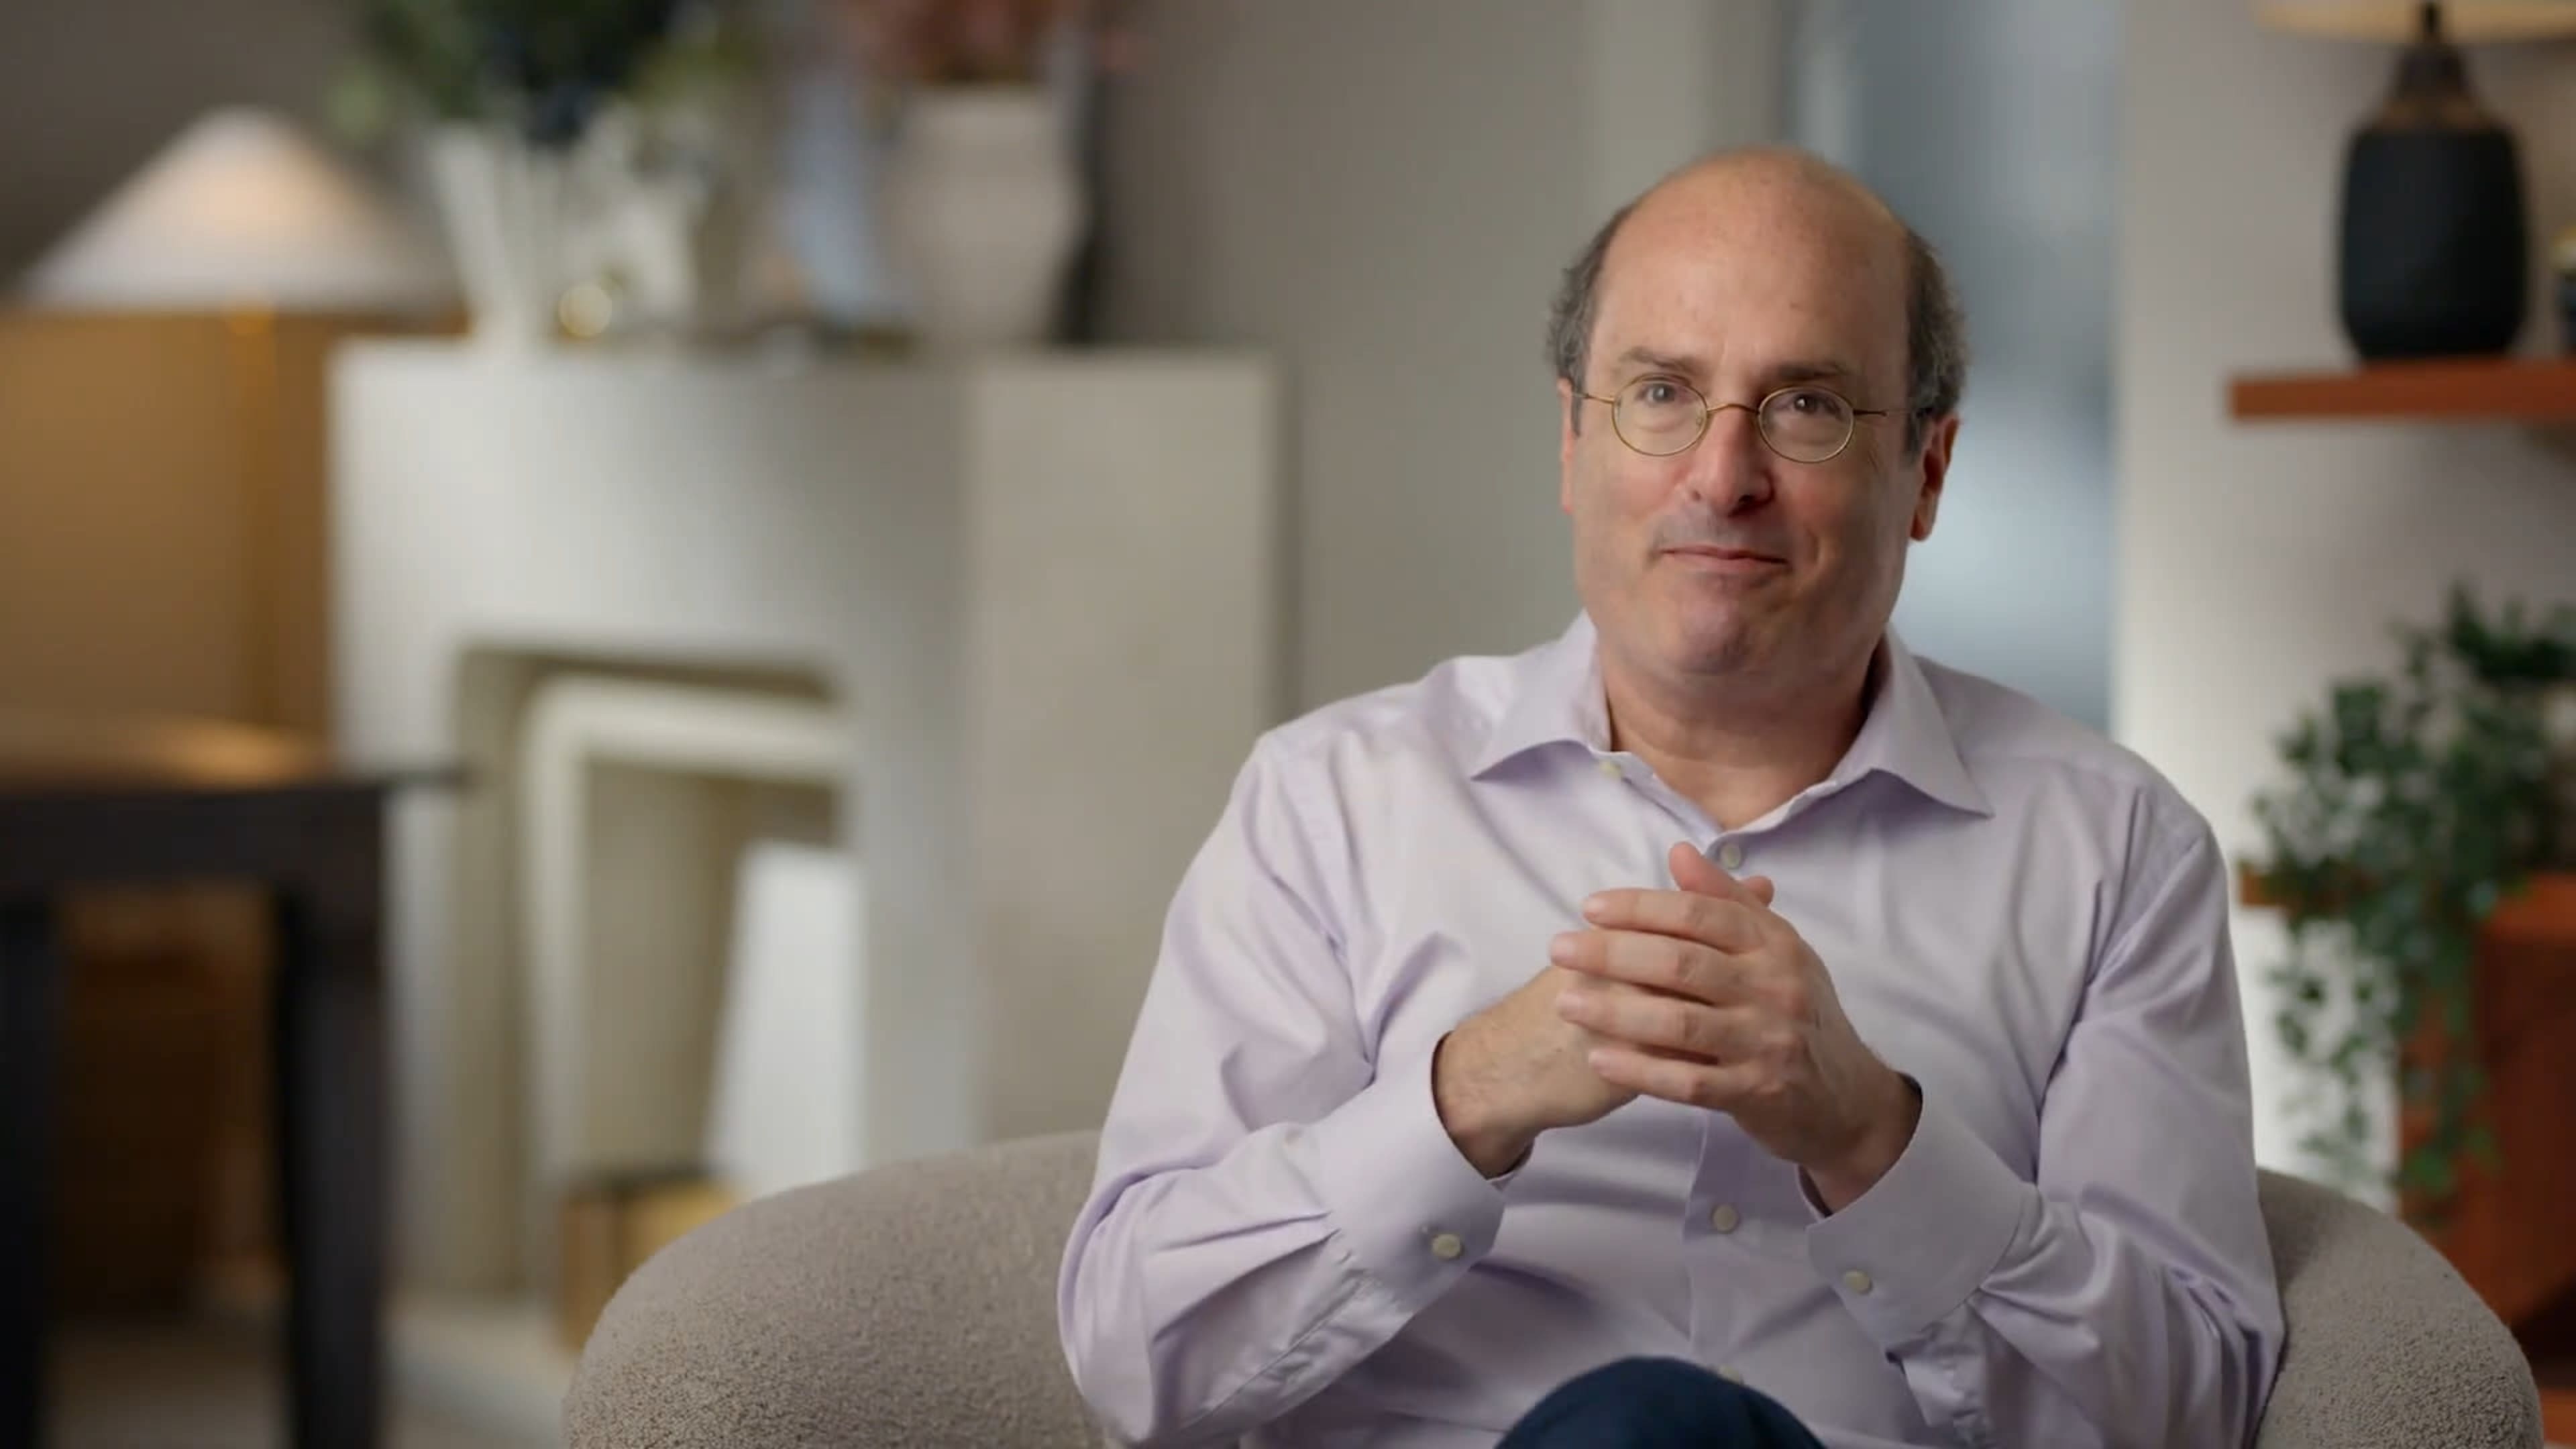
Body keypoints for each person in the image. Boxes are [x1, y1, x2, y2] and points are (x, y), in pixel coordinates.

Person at [1055, 147, 2284, 1449]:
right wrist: (1464, 1096)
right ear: (1574, 443)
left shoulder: (2114, 852)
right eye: (1661, 394)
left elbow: (2190, 1412)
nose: (1722, 475)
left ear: (1927, 473)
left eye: (1806, 406)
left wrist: (1873, 1137)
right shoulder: (1333, 805)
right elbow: (1137, 1357)